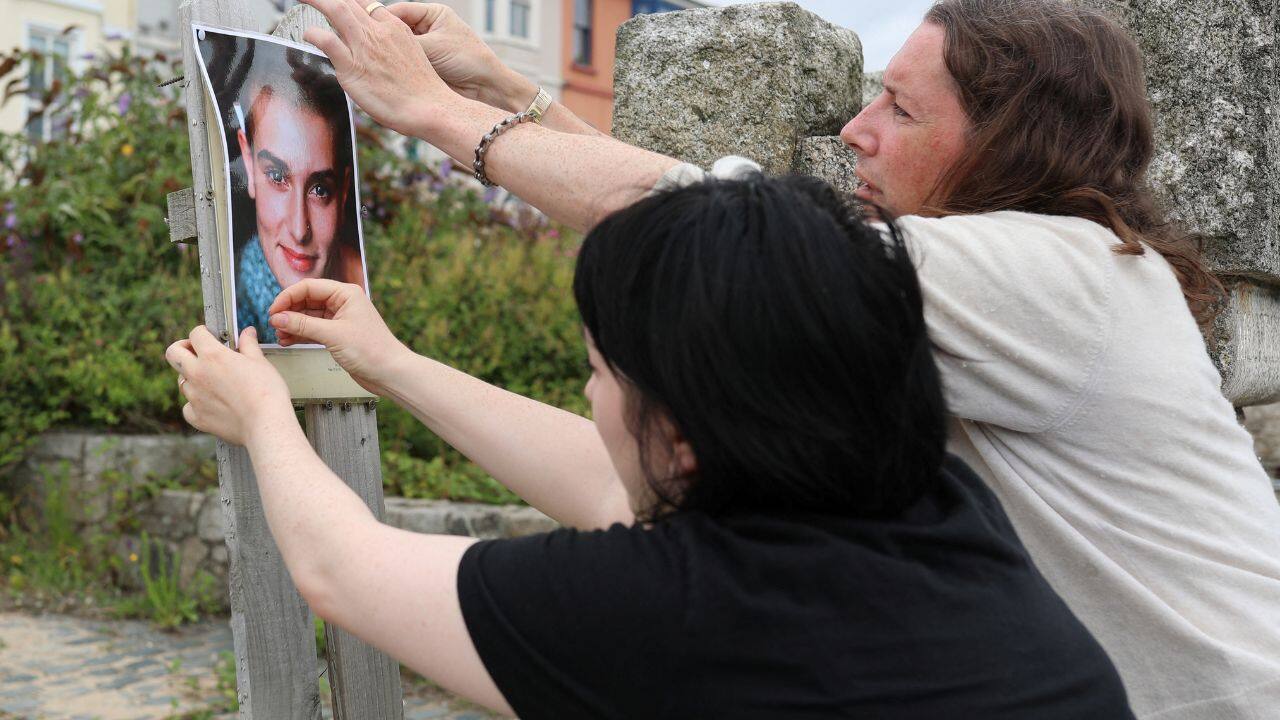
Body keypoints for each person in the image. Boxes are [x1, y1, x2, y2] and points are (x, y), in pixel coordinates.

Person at [280, 0, 1280, 717]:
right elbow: (713, 233)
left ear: (1008, 142)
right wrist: (501, 86)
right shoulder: (1028, 278)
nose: (854, 130)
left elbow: (709, 225)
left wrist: (434, 114)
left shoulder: (1057, 272)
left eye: (899, 108)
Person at [167, 174, 1134, 718]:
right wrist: (398, 365)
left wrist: (260, 414)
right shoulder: (942, 513)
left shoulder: (687, 613)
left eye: (597, 371)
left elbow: (343, 568)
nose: (589, 399)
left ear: (682, 427)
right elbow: (610, 482)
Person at [232, 46, 362, 343]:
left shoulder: (374, 291)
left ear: (343, 191)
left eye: (320, 190)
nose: (298, 228)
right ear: (248, 164)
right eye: (277, 177)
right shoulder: (242, 300)